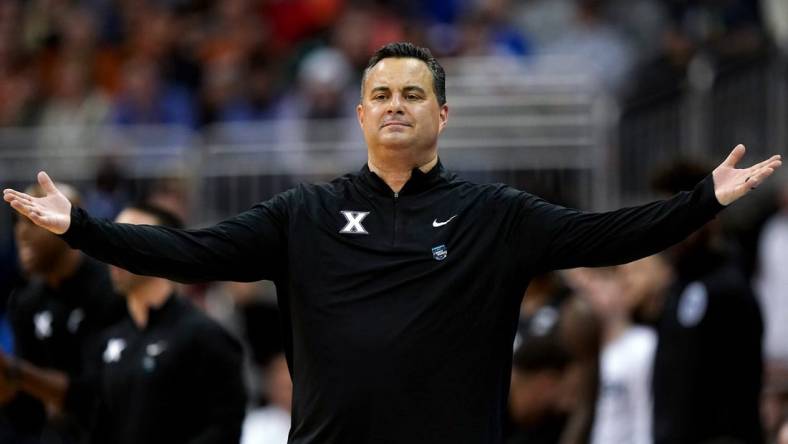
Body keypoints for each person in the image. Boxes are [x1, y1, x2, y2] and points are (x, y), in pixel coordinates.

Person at [3, 42, 783, 444]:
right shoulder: (302, 214)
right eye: (380, 95)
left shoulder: (494, 214)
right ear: (361, 116)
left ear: (443, 115)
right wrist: (83, 228)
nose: (396, 106)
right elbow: (189, 251)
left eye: (414, 94)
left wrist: (700, 201)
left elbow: (608, 236)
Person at [1, 202, 246, 444]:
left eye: (131, 239)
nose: (117, 250)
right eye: (115, 238)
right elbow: (90, 418)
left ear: (168, 251)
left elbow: (224, 429)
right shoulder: (107, 340)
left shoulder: (205, 336)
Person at [650, 162, 765, 444]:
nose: (669, 229)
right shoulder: (677, 285)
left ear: (710, 217)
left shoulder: (729, 288)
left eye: (679, 217)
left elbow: (739, 387)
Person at [0, 182, 122, 444]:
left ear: (69, 227)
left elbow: (97, 394)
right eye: (17, 222)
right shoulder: (25, 300)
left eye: (33, 222)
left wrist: (17, 373)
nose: (21, 233)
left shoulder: (110, 289)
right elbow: (24, 410)